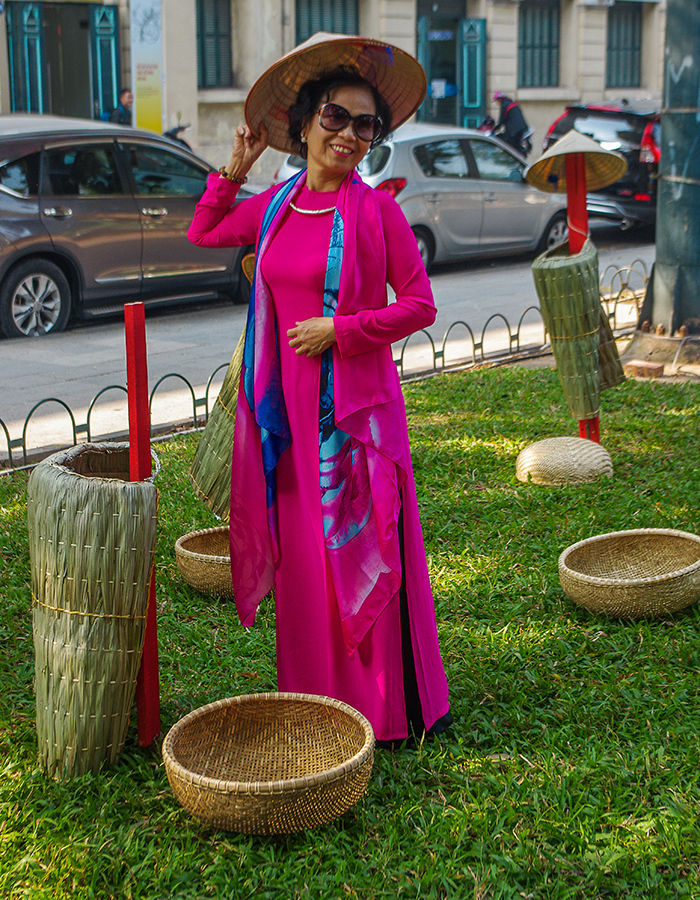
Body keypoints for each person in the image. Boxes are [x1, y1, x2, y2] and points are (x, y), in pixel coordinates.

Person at [188, 33, 451, 746]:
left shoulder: (378, 213)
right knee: (307, 553)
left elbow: (420, 305)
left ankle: (382, 711)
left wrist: (343, 330)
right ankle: (316, 699)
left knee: (363, 548)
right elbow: (204, 230)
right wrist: (234, 171)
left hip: (355, 415)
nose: (350, 136)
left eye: (367, 125)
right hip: (286, 417)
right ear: (304, 123)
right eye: (337, 118)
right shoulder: (274, 207)